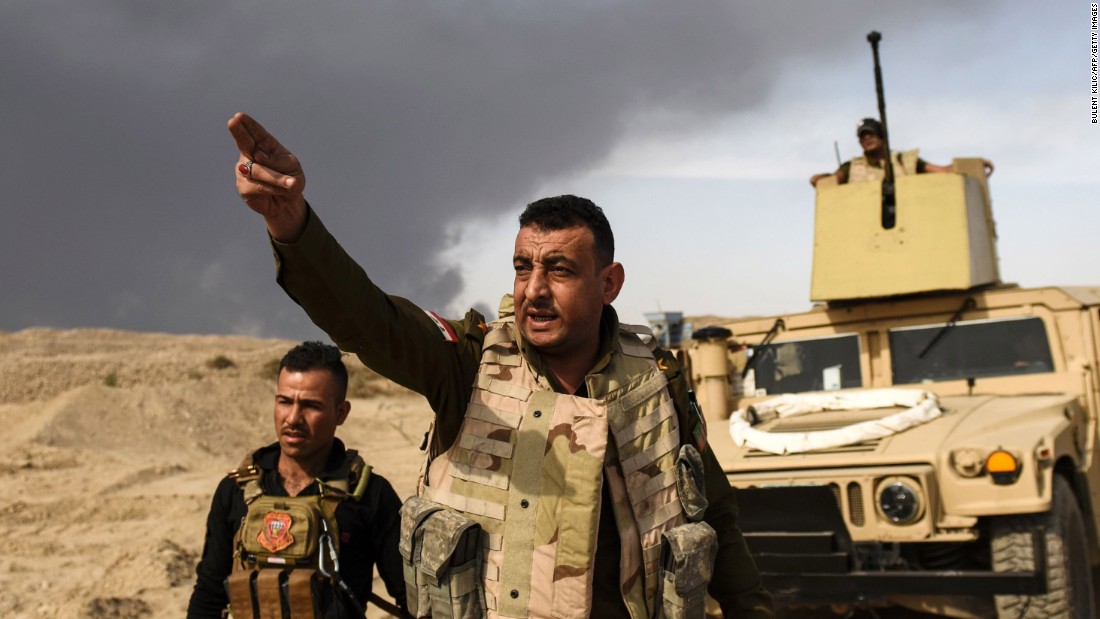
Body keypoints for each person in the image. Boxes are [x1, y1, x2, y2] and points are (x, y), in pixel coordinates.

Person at [226, 112, 774, 619]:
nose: (533, 289)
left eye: (558, 269)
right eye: (522, 266)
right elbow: (369, 319)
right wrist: (293, 226)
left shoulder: (657, 382)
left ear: (608, 284)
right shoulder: (466, 365)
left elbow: (716, 516)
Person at [187, 341, 406, 618]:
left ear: (341, 412)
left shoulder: (369, 494)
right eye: (284, 401)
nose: (293, 418)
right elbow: (209, 594)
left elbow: (411, 597)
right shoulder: (235, 489)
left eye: (310, 406)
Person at [809, 117, 994, 187]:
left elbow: (942, 171)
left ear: (882, 137)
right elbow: (834, 180)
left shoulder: (905, 162)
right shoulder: (851, 168)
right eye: (863, 137)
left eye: (871, 134)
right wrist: (819, 178)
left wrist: (973, 165)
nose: (867, 139)